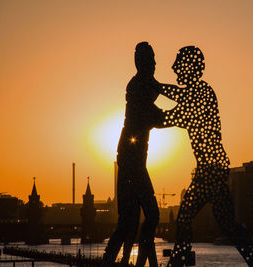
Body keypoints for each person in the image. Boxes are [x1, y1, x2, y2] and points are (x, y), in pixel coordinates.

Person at [160, 46, 253, 267]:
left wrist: (151, 90)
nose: (173, 67)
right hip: (213, 169)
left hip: (210, 170)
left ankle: (178, 260)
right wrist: (155, 90)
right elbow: (178, 100)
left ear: (189, 67)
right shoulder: (197, 93)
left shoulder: (202, 93)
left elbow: (173, 115)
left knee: (186, 216)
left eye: (178, 62)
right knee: (226, 223)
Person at [102, 42, 163, 267]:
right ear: (142, 62)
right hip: (132, 161)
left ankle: (112, 261)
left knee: (129, 220)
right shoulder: (138, 88)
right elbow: (156, 117)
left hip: (130, 158)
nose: (156, 63)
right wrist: (186, 114)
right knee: (150, 215)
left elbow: (161, 89)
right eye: (152, 59)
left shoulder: (143, 84)